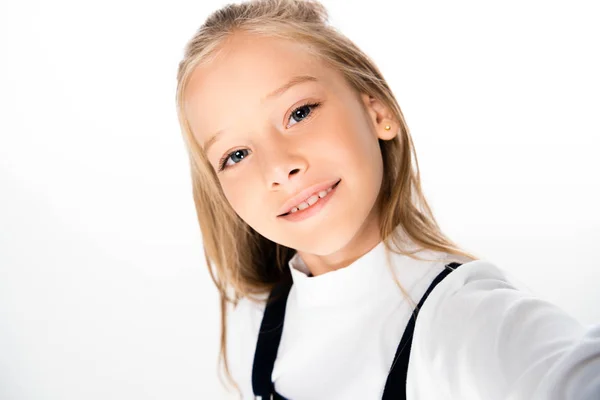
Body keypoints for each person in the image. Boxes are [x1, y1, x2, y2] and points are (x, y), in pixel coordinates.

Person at [174, 0, 600, 398]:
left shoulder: (465, 319)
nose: (278, 168)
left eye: (299, 113)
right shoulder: (260, 320)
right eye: (237, 155)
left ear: (378, 112)